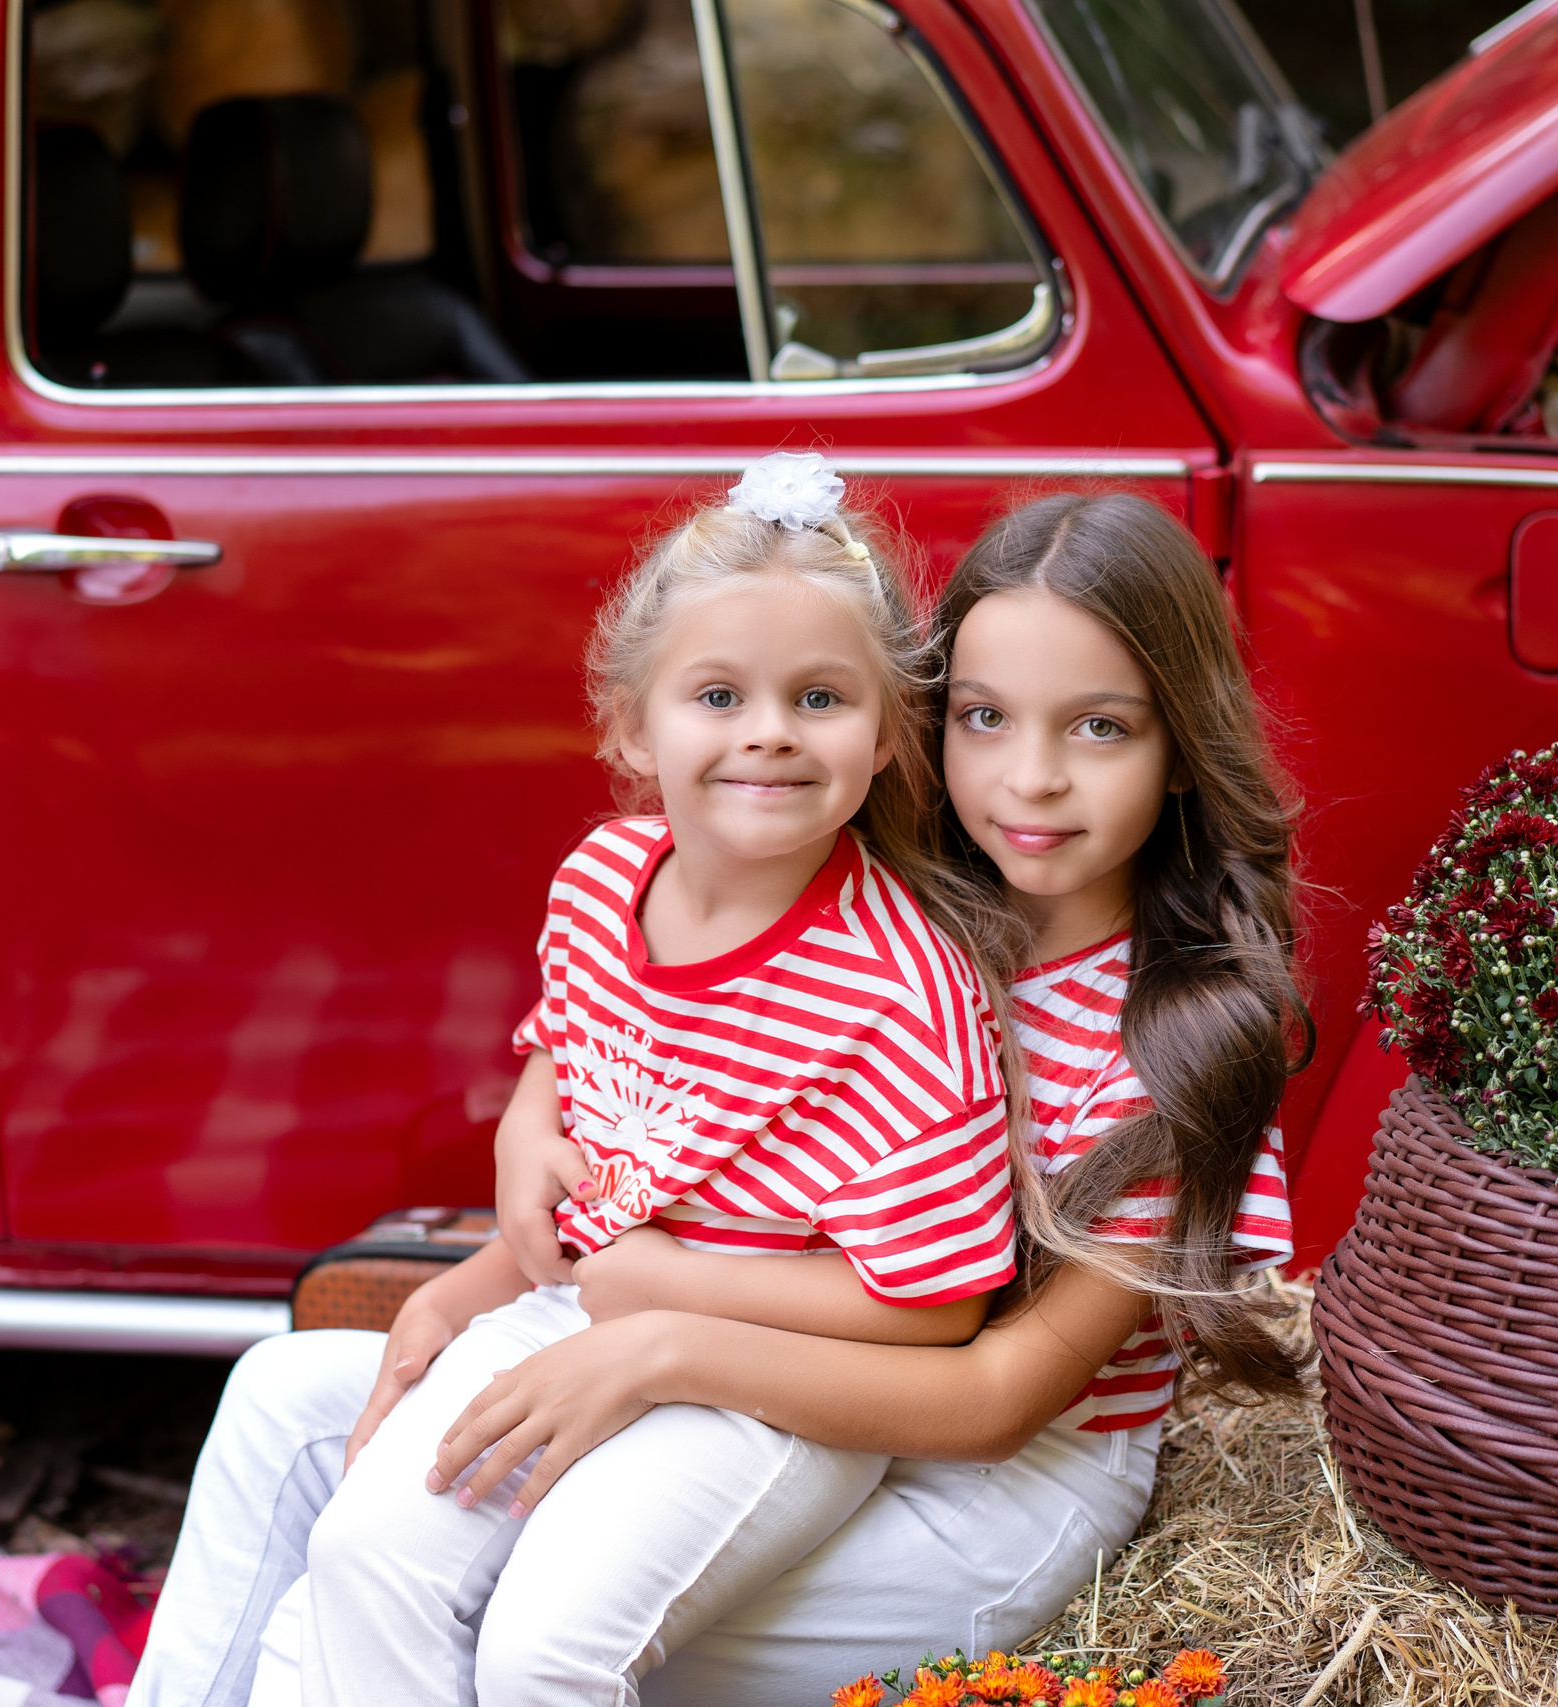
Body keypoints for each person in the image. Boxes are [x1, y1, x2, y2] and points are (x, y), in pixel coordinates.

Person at [124, 488, 1306, 1707]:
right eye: (985, 718)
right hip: (731, 1362)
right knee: (288, 1412)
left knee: (453, 1610)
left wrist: (660, 1342)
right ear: (920, 719)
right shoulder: (863, 875)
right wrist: (511, 1194)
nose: (1033, 778)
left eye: (1101, 729)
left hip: (976, 1476)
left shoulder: (1169, 1037)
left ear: (1180, 748)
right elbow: (641, 1044)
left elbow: (991, 1394)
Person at [300, 452, 1022, 1706]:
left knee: (547, 1651)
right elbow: (571, 1045)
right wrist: (527, 1127)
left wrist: (670, 1291)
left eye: (817, 698)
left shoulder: (903, 992)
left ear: (889, 733)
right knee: (364, 1552)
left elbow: (934, 1309)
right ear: (632, 723)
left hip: (776, 1396)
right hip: (590, 1313)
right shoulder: (598, 878)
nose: (766, 733)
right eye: (717, 694)